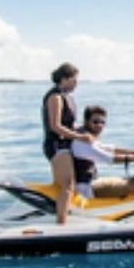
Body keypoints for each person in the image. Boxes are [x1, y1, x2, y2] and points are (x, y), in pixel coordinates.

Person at [70, 105, 134, 225]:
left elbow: (108, 148)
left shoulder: (85, 136)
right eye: (95, 121)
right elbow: (108, 158)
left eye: (102, 122)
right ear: (86, 121)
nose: (99, 125)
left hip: (90, 182)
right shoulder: (82, 141)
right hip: (86, 187)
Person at [42, 62, 94, 225]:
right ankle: (61, 223)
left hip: (66, 145)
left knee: (69, 183)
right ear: (63, 79)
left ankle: (65, 214)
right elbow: (55, 126)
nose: (76, 83)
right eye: (74, 80)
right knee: (67, 184)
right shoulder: (55, 97)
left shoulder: (67, 97)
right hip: (57, 146)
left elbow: (69, 126)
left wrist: (85, 132)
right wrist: (79, 138)